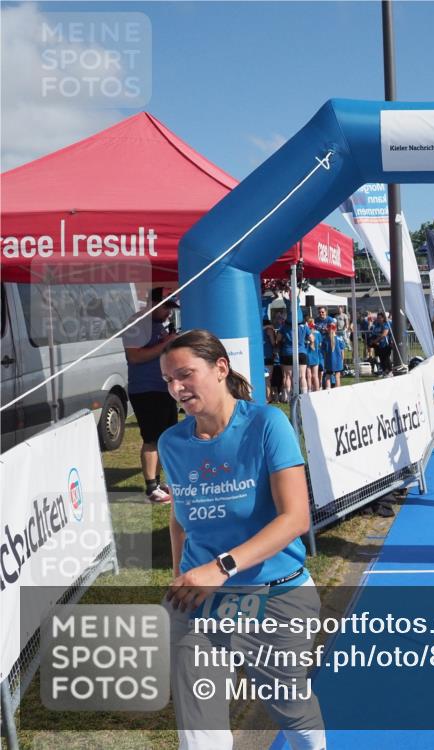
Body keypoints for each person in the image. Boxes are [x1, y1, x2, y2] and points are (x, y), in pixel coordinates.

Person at [157, 329, 323, 750]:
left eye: (185, 374)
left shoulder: (267, 424)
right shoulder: (172, 443)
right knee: (199, 729)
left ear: (220, 368)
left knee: (290, 707)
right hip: (201, 604)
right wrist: (182, 577)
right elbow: (180, 519)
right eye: (168, 380)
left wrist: (221, 567)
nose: (176, 388)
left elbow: (295, 518)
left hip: (277, 595)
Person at [122, 287, 180, 503]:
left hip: (163, 388)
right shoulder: (137, 324)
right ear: (154, 304)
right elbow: (135, 356)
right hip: (145, 389)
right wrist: (166, 343)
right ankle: (151, 487)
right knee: (152, 438)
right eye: (166, 308)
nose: (169, 313)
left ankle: (159, 482)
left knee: (166, 437)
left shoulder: (157, 325)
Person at [368, 311, 393, 376]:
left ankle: (390, 371)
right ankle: (384, 371)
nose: (378, 319)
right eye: (378, 318)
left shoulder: (386, 324)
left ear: (383, 318)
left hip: (386, 343)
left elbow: (384, 334)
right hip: (379, 345)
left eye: (380, 318)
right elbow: (374, 332)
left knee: (386, 357)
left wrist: (375, 341)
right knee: (381, 357)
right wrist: (372, 340)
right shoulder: (377, 324)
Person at [323, 322, 346, 388]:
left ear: (327, 329)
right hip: (338, 361)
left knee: (328, 377)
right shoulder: (340, 339)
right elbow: (342, 352)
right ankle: (338, 391)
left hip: (329, 361)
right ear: (335, 329)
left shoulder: (325, 339)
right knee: (337, 377)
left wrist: (325, 362)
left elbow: (324, 353)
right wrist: (342, 361)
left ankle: (328, 391)